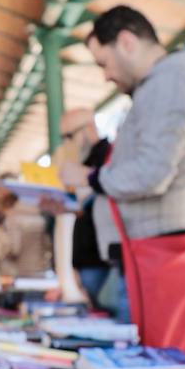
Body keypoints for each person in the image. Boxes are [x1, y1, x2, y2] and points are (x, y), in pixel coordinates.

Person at [56, 5, 185, 354]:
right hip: (157, 252)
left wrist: (91, 176)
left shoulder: (171, 81)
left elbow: (152, 172)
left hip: (166, 255)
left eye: (104, 63)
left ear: (127, 42)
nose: (106, 76)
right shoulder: (162, 84)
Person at [52, 109, 115, 310]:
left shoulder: (110, 157)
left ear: (88, 128)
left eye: (69, 136)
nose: (68, 143)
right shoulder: (81, 164)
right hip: (84, 264)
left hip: (103, 261)